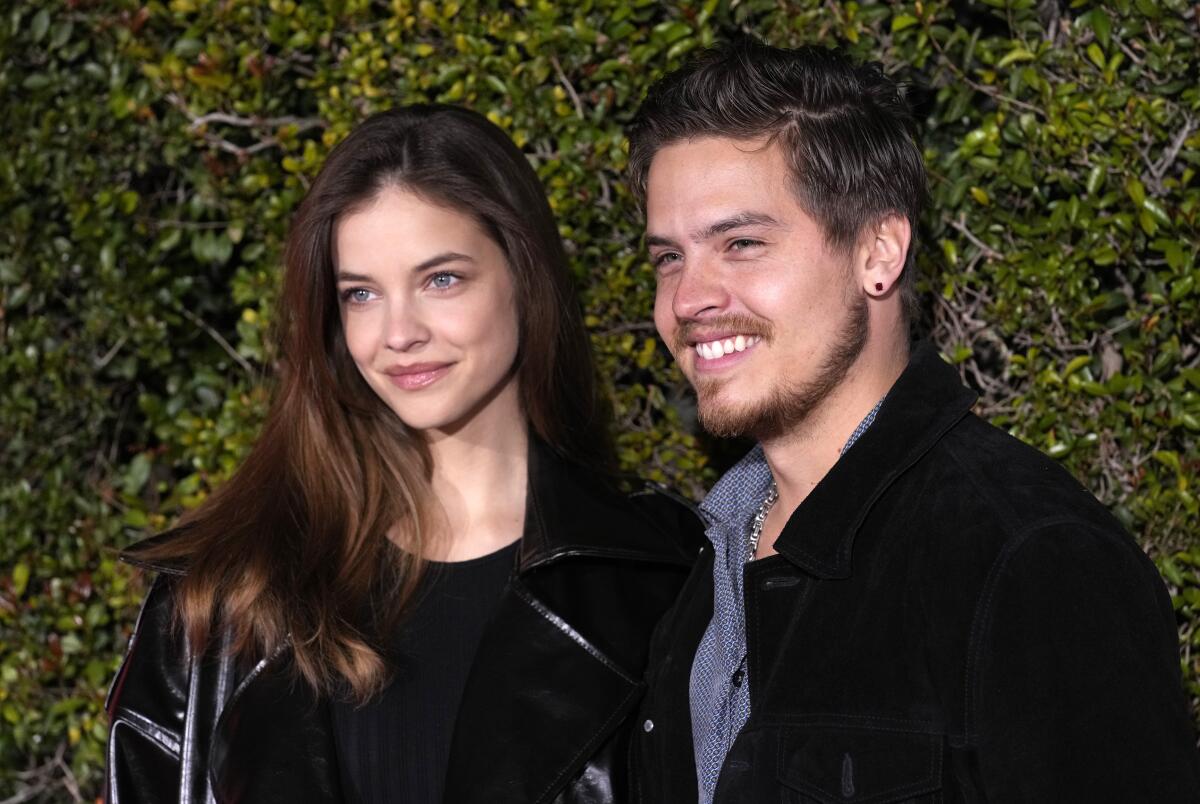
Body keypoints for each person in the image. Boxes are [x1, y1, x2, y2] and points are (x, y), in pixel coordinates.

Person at [625, 38, 1200, 802]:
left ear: (878, 251)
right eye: (669, 257)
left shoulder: (1027, 560)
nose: (689, 298)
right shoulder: (701, 562)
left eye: (742, 244)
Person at [105, 104, 701, 803]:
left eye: (441, 279)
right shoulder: (226, 597)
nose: (398, 333)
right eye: (361, 294)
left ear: (523, 275)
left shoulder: (660, 573)